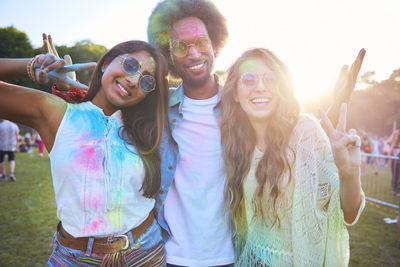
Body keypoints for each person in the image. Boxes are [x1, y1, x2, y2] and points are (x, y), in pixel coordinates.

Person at [147, 1, 364, 266]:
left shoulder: (242, 111)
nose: (193, 53)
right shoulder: (155, 111)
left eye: (201, 42)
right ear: (169, 54)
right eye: (180, 46)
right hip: (171, 257)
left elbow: (287, 124)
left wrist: (337, 112)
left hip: (233, 256)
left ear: (214, 45)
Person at [0, 40, 170, 266]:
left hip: (146, 252)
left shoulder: (150, 131)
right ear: (105, 63)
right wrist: (31, 65)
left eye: (147, 81)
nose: (133, 80)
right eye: (130, 65)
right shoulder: (58, 113)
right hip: (75, 258)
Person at [220, 48, 365, 266]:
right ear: (235, 93)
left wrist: (349, 173)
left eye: (270, 78)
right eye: (248, 79)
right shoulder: (235, 143)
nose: (260, 86)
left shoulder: (305, 133)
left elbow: (348, 212)